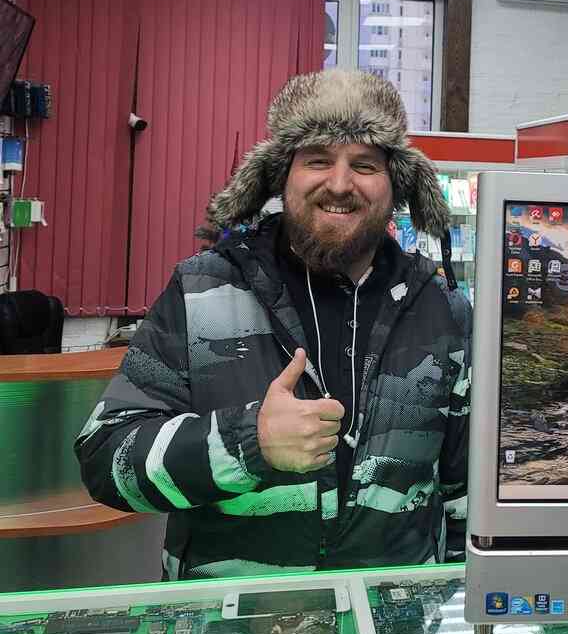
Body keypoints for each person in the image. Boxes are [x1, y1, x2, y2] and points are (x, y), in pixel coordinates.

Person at [76, 69, 471, 579]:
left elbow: (464, 492)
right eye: (317, 160)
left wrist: (454, 602)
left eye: (365, 164)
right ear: (280, 175)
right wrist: (247, 444)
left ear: (397, 184)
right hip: (231, 617)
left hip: (389, 613)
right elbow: (105, 459)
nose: (340, 184)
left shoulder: (441, 310)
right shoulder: (203, 292)